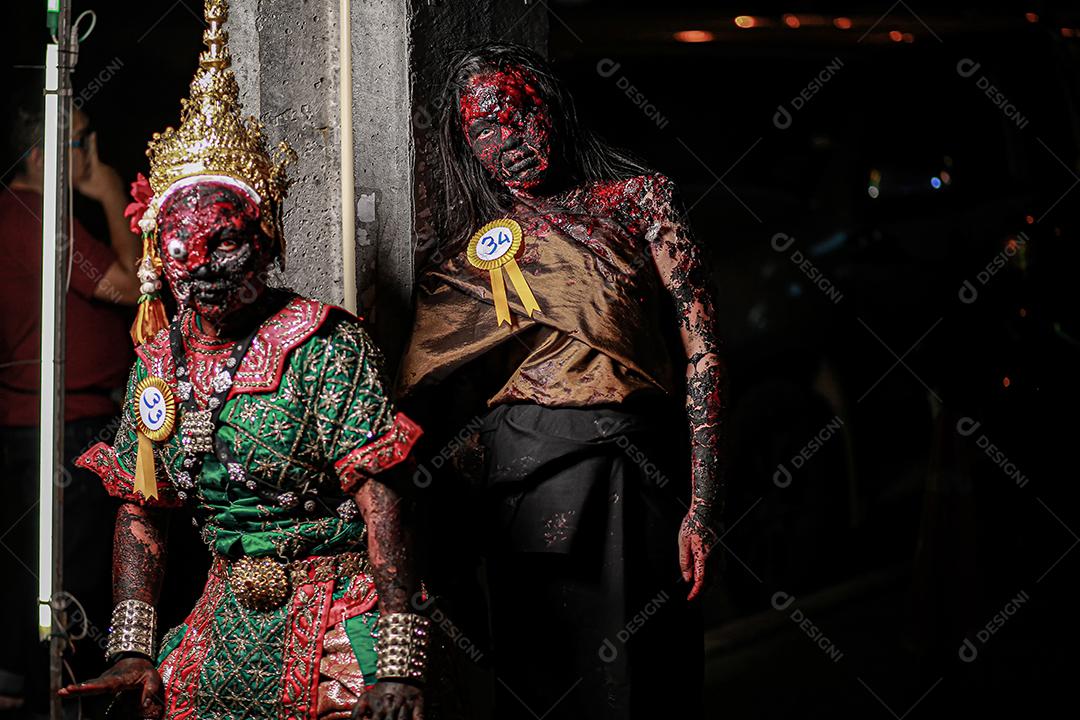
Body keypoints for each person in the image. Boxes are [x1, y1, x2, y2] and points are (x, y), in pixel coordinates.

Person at [58, 2, 427, 718]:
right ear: (154, 253)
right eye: (179, 248)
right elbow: (144, 502)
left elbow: (384, 498)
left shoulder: (325, 345)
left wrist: (399, 659)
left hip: (338, 609)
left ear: (264, 239)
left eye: (223, 242)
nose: (200, 267)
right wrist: (132, 648)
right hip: (224, 613)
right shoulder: (159, 359)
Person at [398, 43, 725, 719]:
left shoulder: (638, 200)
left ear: (554, 108)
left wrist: (703, 504)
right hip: (523, 484)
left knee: (646, 674)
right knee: (543, 679)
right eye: (484, 130)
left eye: (519, 116)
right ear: (467, 146)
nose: (507, 141)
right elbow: (432, 393)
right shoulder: (470, 246)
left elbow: (703, 353)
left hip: (637, 477)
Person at [0, 99, 140, 713]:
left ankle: (23, 686)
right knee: (71, 579)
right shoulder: (34, 216)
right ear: (40, 157)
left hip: (44, 425)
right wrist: (112, 194)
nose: (92, 154)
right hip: (63, 428)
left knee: (35, 570)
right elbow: (131, 286)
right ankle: (61, 700)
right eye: (81, 140)